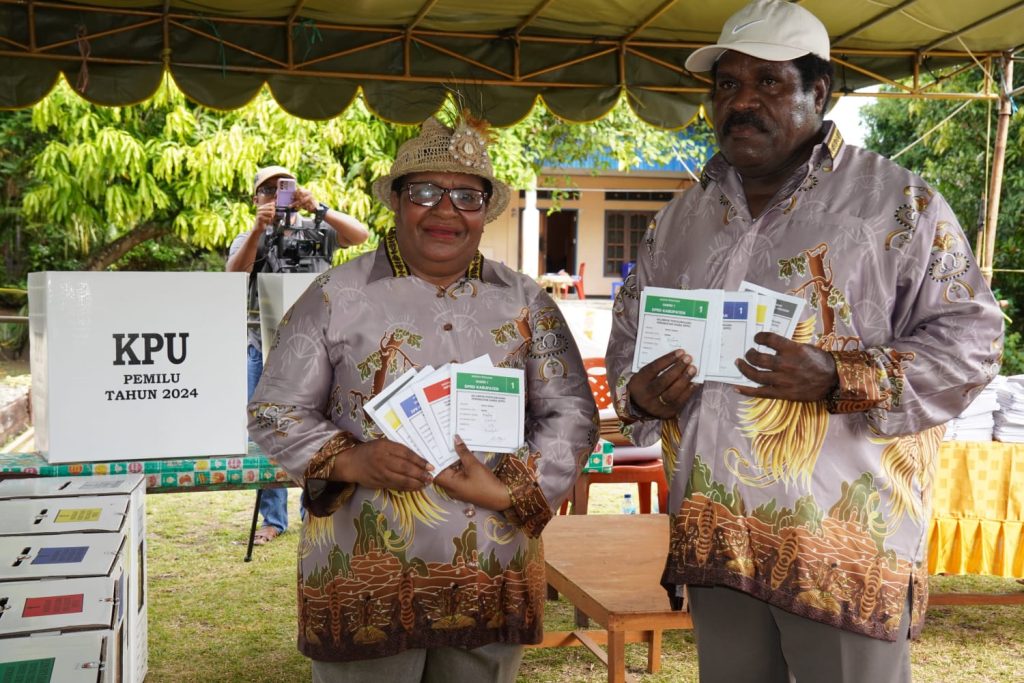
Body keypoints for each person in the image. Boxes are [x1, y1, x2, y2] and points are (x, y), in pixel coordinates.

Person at [605, 1, 1004, 681]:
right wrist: (639, 390)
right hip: (717, 542)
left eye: (769, 83)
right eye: (727, 85)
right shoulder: (682, 218)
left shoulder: (897, 205)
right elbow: (630, 339)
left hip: (843, 553)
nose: (743, 103)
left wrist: (839, 375)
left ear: (821, 92)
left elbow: (973, 342)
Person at [247, 117, 597, 682]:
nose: (445, 211)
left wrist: (512, 487)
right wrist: (351, 459)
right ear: (395, 201)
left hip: (490, 565)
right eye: (424, 192)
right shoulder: (335, 295)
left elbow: (573, 414)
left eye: (466, 195)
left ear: (485, 210)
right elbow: (275, 408)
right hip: (366, 571)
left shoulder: (526, 301)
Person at [228, 165, 369, 545]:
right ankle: (274, 519)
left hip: (320, 353)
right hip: (265, 349)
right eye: (266, 190)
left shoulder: (317, 230)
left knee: (321, 431)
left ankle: (315, 511)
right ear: (255, 200)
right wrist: (259, 230)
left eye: (283, 188)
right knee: (267, 435)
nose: (275, 195)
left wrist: (318, 207)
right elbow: (232, 274)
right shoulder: (249, 236)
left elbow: (360, 234)